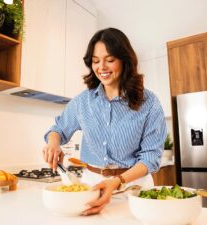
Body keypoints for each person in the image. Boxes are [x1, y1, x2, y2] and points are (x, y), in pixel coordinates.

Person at [42, 27, 167, 216]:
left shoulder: (149, 103)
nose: (102, 67)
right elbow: (58, 129)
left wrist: (118, 181)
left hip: (133, 188)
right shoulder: (83, 101)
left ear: (125, 61)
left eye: (110, 60)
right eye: (95, 61)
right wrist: (53, 143)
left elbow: (151, 158)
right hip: (91, 185)